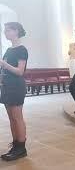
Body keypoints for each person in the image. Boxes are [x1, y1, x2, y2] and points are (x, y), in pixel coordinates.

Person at [0, 22, 28, 161]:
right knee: (11, 118)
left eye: (7, 30)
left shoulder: (21, 49)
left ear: (16, 31)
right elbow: (3, 69)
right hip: (6, 86)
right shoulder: (9, 50)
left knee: (17, 118)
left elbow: (19, 71)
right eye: (4, 31)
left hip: (16, 86)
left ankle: (21, 148)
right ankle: (15, 145)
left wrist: (4, 64)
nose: (5, 33)